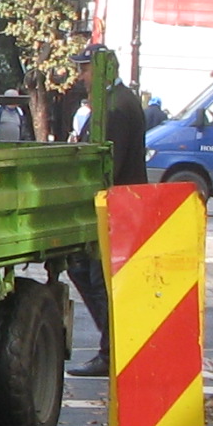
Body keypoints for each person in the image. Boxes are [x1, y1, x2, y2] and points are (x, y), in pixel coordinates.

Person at [64, 46, 149, 379]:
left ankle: (113, 350)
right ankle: (114, 346)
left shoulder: (116, 106)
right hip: (113, 204)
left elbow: (109, 163)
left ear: (102, 70)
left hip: (115, 206)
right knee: (83, 269)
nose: (81, 76)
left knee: (99, 278)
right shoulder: (114, 100)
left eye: (85, 69)